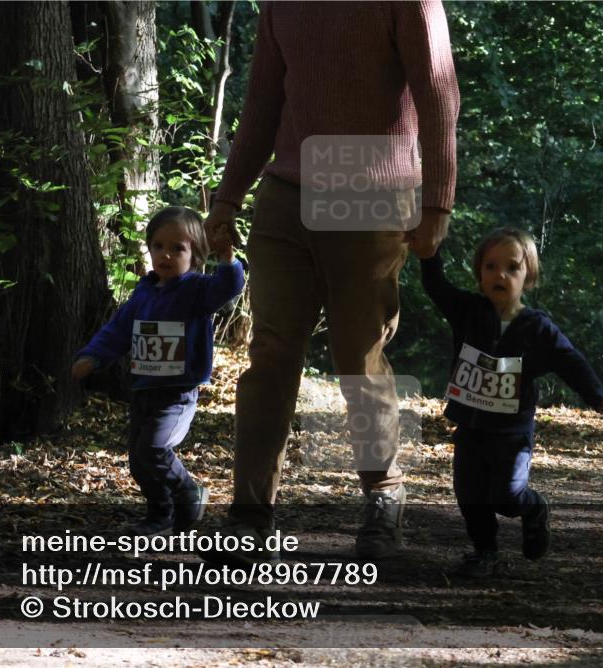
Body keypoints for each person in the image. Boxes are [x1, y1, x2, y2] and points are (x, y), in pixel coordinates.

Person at [201, 0, 460, 564]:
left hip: (369, 194)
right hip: (286, 197)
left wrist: (437, 201)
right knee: (270, 353)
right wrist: (227, 197)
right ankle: (249, 517)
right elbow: (263, 103)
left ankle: (383, 492)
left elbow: (438, 93)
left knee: (358, 355)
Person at [416, 227, 603, 577]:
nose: (500, 275)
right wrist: (429, 252)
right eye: (491, 267)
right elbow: (436, 287)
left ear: (529, 276)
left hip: (511, 432)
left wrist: (596, 395)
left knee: (506, 497)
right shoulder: (468, 311)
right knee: (470, 494)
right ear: (479, 273)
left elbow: (571, 361)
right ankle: (485, 552)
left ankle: (533, 508)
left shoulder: (537, 327)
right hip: (471, 428)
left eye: (512, 267)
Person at [72, 207, 244, 535]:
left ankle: (188, 492)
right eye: (159, 246)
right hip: (144, 388)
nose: (166, 255)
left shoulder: (196, 290)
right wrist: (92, 357)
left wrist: (228, 260)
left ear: (195, 254)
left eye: (178, 248)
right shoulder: (144, 293)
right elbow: (118, 330)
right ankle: (160, 514)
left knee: (153, 448)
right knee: (139, 461)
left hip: (177, 392)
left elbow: (228, 287)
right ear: (149, 248)